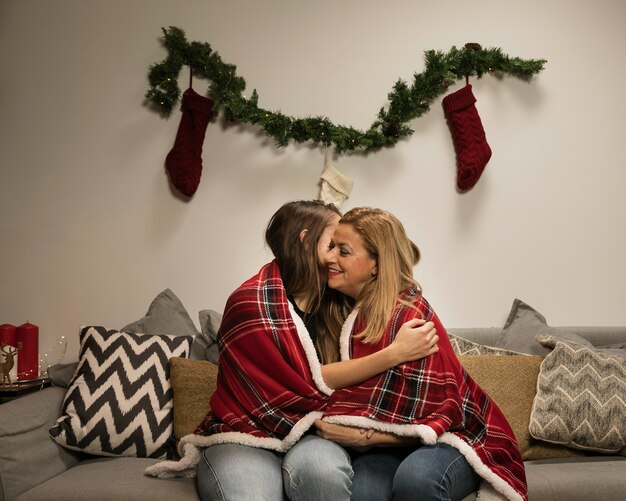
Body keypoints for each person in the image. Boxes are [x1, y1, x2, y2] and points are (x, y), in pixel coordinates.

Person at [145, 200, 438, 500]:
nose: (338, 255)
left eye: (343, 247)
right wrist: (393, 353)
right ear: (306, 240)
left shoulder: (342, 302)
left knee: (321, 475)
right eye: (332, 244)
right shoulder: (251, 303)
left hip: (315, 431)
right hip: (246, 433)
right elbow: (305, 379)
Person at [314, 207, 527, 501]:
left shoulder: (411, 317)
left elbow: (444, 411)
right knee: (364, 492)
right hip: (389, 444)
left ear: (376, 264)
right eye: (331, 246)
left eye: (344, 251)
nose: (329, 257)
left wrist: (362, 436)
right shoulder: (339, 312)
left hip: (453, 436)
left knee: (417, 479)